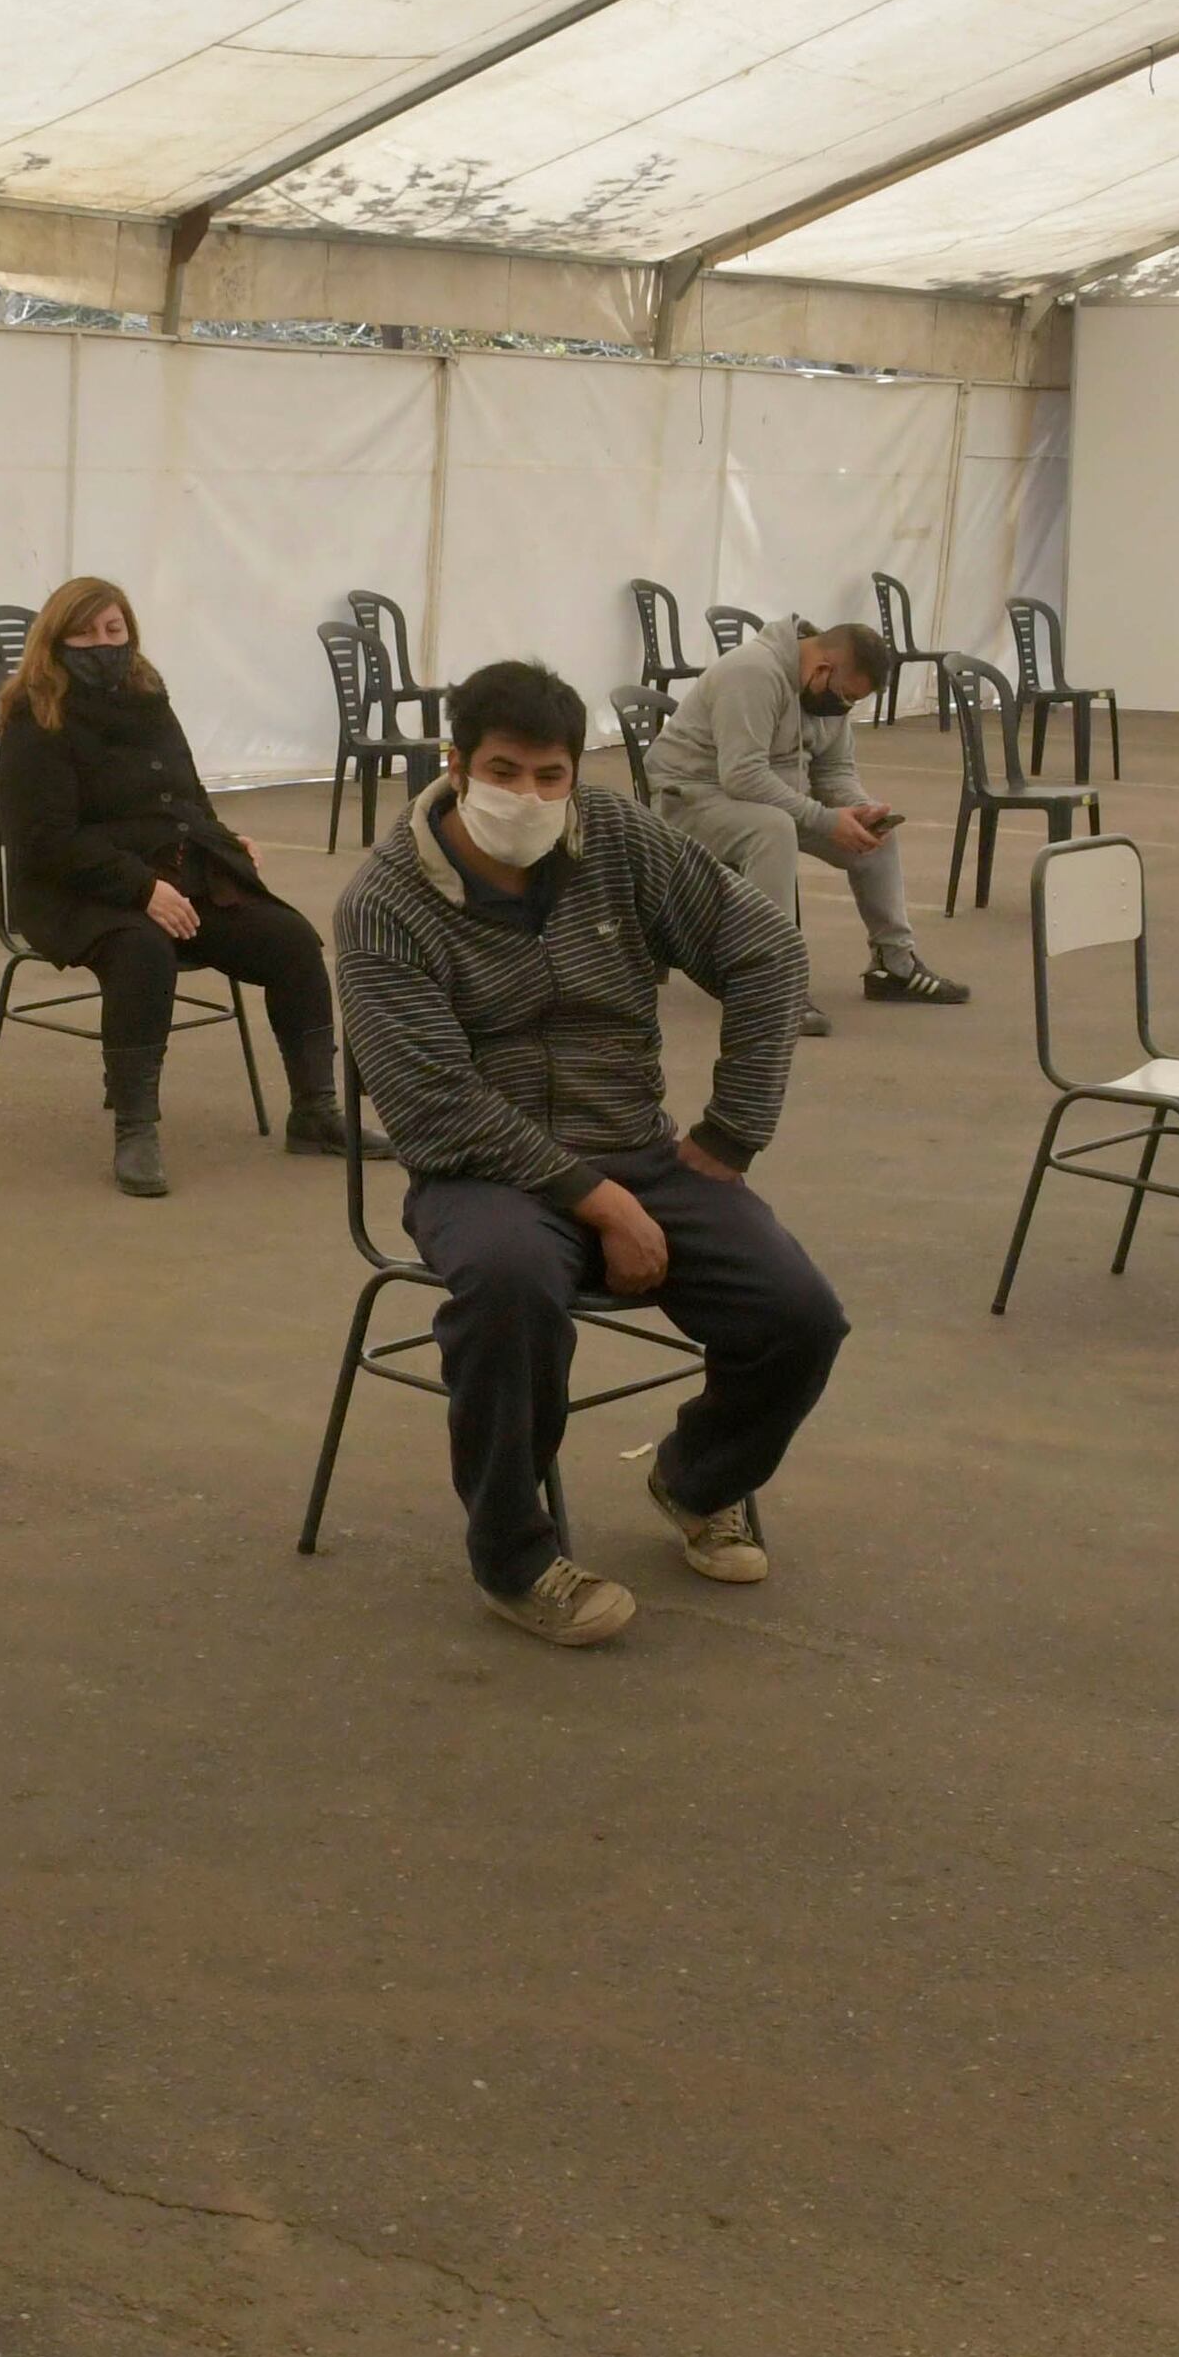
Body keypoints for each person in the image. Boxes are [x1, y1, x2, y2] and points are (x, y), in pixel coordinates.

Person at [332, 660, 846, 1647]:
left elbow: (764, 951)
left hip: (639, 1146)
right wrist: (597, 1203)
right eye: (503, 770)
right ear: (454, 763)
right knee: (508, 1287)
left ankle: (698, 1477)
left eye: (548, 775)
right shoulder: (383, 902)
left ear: (574, 773)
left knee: (799, 1315)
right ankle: (514, 1558)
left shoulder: (615, 838)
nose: (525, 796)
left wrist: (732, 1131)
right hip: (479, 1171)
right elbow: (432, 1106)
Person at [0, 573, 346, 1197]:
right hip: (75, 893)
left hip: (175, 881)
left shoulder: (147, 693)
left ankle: (315, 1113)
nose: (102, 643)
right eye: (85, 631)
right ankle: (136, 1130)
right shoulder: (34, 716)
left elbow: (185, 793)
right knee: (142, 950)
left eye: (113, 629)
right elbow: (45, 842)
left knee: (290, 939)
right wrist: (139, 889)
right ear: (55, 639)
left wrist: (223, 841)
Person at [645, 613, 966, 1035]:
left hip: (769, 800)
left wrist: (859, 810)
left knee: (878, 835)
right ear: (823, 669)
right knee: (772, 830)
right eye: (845, 696)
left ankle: (894, 964)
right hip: (691, 797)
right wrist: (823, 819)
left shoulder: (827, 692)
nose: (844, 707)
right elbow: (740, 775)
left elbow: (834, 770)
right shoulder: (752, 672)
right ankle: (769, 985)